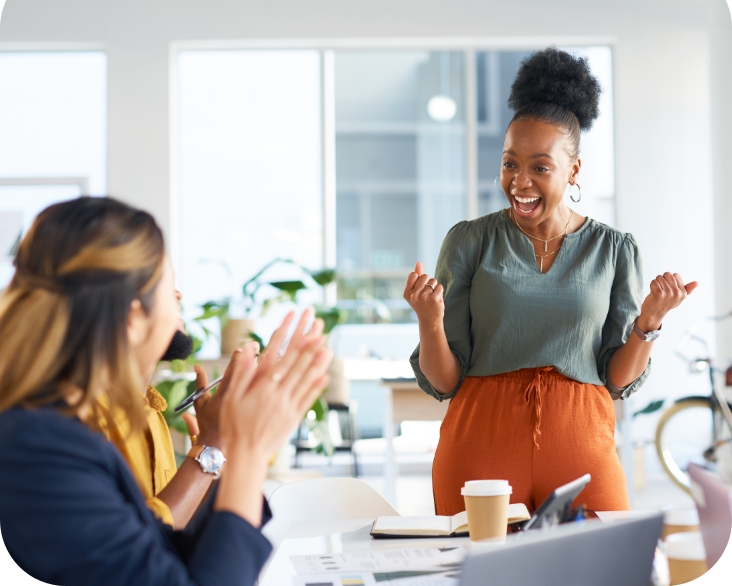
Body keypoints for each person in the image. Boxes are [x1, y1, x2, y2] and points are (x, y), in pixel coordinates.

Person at [404, 48, 697, 516]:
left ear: (573, 171)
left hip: (582, 445)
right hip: (480, 446)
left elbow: (617, 378)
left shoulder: (615, 250)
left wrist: (649, 321)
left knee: (608, 568)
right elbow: (444, 381)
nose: (520, 181)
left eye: (540, 167)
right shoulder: (469, 241)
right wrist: (429, 322)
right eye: (509, 163)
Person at [0, 196, 331, 585]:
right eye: (166, 288)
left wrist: (224, 442)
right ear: (132, 317)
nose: (180, 298)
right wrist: (249, 451)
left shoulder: (53, 429)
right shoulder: (44, 445)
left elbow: (159, 551)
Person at [96, 297, 232, 528]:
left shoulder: (152, 414)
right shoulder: (85, 418)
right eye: (162, 280)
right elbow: (131, 547)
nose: (178, 294)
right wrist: (211, 447)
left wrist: (218, 448)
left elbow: (179, 529)